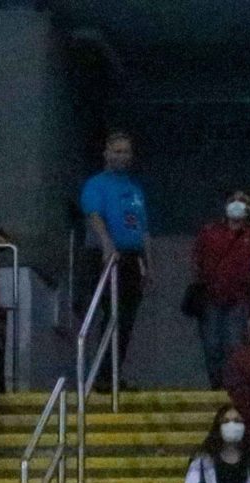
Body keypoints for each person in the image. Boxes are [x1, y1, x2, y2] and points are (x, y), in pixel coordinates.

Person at [78, 132, 150, 381]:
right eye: (117, 151)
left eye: (126, 152)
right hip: (107, 257)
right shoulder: (96, 184)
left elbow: (143, 229)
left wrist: (148, 265)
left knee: (127, 320)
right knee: (112, 314)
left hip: (132, 258)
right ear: (107, 154)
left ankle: (112, 374)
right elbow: (94, 214)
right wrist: (107, 244)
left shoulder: (134, 188)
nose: (122, 156)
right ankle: (102, 376)